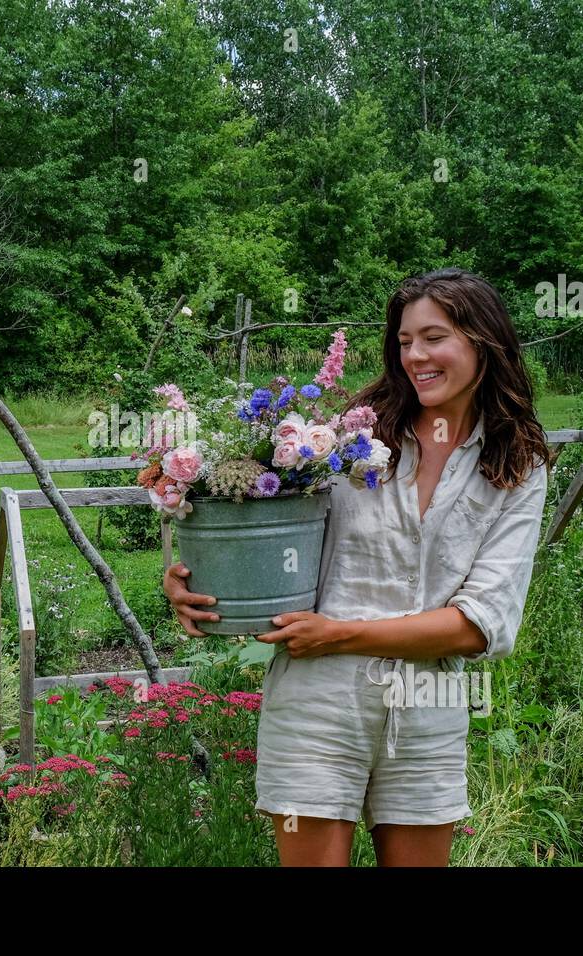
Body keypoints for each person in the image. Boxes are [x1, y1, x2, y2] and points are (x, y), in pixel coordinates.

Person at [163, 267, 553, 866]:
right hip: (317, 698)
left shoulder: (516, 464)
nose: (416, 355)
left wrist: (341, 634)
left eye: (434, 337)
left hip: (427, 706)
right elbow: (247, 517)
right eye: (404, 341)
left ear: (484, 340)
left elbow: (481, 625)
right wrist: (193, 574)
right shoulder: (348, 435)